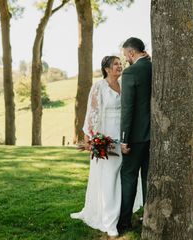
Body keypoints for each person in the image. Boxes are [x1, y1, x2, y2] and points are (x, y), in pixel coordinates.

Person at [70, 56, 143, 238]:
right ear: (107, 69)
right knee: (109, 177)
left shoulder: (124, 85)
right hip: (106, 137)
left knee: (124, 176)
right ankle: (109, 221)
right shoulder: (99, 87)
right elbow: (92, 112)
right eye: (116, 64)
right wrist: (93, 139)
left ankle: (122, 213)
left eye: (121, 63)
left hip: (124, 135)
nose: (120, 66)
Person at [118, 37, 152, 232]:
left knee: (129, 176)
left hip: (136, 137)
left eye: (125, 55)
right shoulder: (154, 67)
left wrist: (124, 138)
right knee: (148, 177)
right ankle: (149, 219)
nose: (126, 59)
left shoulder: (131, 72)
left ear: (131, 53)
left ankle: (124, 222)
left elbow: (128, 108)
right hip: (153, 136)